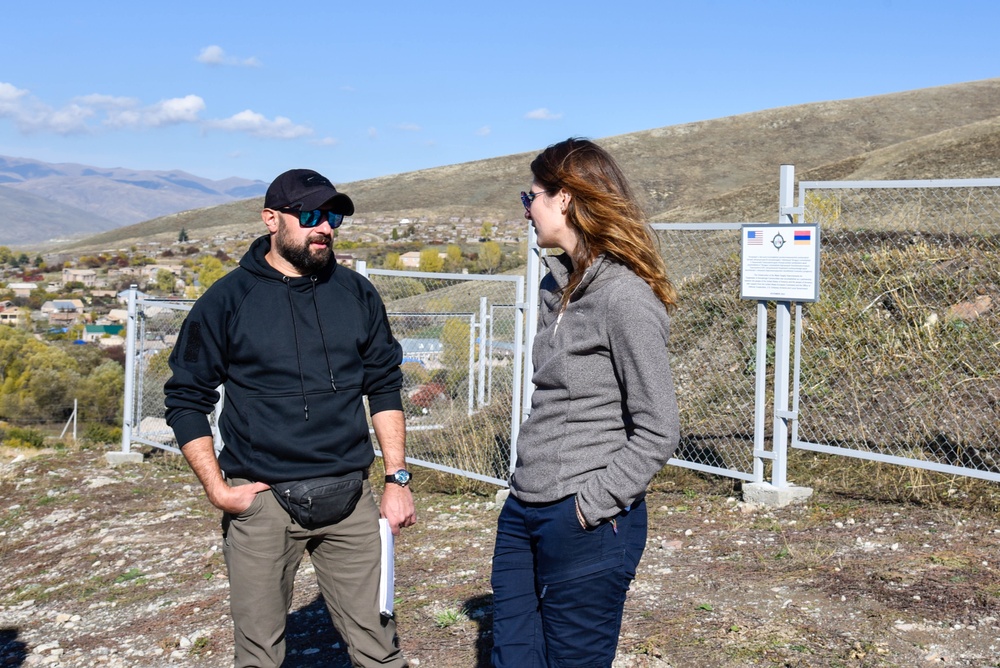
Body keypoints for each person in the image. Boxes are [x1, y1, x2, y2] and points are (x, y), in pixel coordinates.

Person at [164, 168, 416, 668]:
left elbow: (383, 386)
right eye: (309, 216)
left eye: (332, 217)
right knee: (260, 655)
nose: (323, 227)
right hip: (263, 504)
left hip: (350, 500)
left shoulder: (357, 294)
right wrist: (219, 490)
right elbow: (186, 397)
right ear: (271, 219)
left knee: (379, 650)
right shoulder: (227, 300)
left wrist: (397, 478)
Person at [491, 138, 681, 667]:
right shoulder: (559, 289)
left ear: (565, 200)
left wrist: (590, 506)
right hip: (523, 510)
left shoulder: (624, 298)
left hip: (585, 520)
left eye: (530, 197)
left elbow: (659, 427)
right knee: (513, 655)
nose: (525, 209)